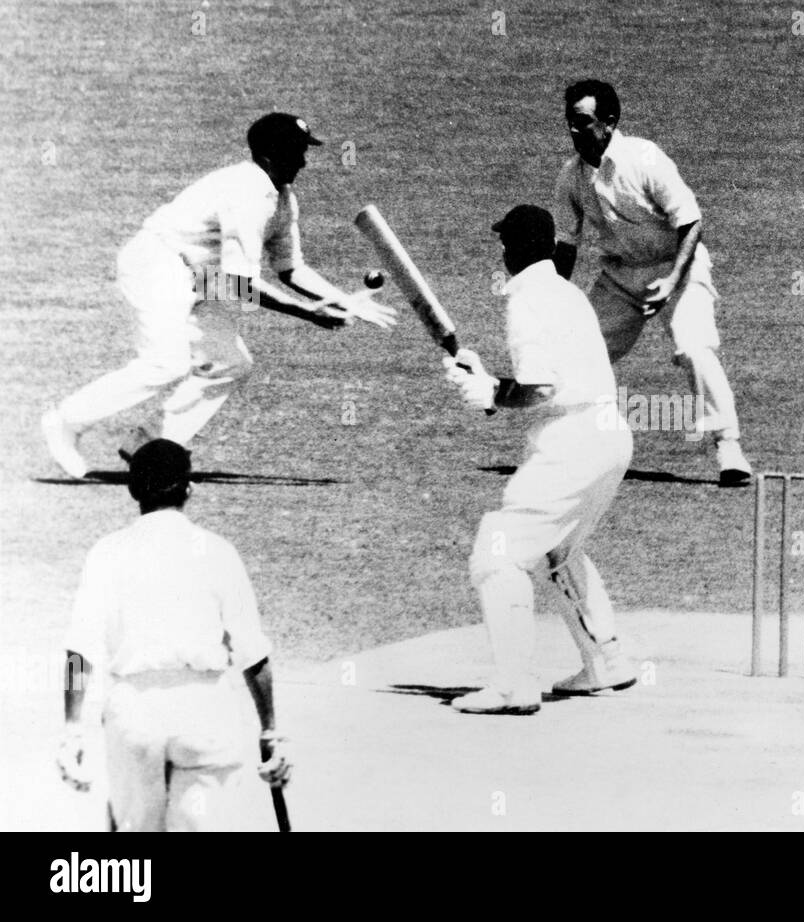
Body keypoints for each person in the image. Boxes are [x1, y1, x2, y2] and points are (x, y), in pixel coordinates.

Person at [41, 112, 395, 478]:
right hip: (159, 263)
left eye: (304, 151)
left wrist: (343, 300)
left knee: (229, 362)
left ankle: (152, 447)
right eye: (296, 152)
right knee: (167, 362)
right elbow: (242, 284)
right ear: (269, 156)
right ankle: (65, 421)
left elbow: (291, 269)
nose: (304, 161)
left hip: (202, 273)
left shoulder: (283, 198)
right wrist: (306, 312)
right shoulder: (247, 195)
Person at [443, 205, 636, 715]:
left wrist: (492, 390)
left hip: (571, 443)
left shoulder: (526, 297)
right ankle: (605, 661)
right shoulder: (567, 293)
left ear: (512, 249)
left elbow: (541, 387)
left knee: (497, 552)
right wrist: (490, 385)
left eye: (504, 245)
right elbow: (548, 381)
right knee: (560, 550)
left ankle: (513, 685)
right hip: (609, 437)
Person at [56, 439, 291, 830]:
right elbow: (253, 654)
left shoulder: (107, 552)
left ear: (133, 491)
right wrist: (270, 730)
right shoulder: (217, 551)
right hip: (205, 711)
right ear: (189, 488)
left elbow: (78, 652)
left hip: (133, 713)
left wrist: (71, 730)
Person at [553, 79, 753, 486]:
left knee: (695, 348)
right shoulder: (570, 177)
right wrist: (551, 300)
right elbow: (566, 245)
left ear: (608, 123)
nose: (573, 130)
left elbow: (691, 221)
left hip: (678, 266)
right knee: (578, 355)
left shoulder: (645, 158)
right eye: (569, 121)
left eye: (582, 122)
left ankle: (728, 447)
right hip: (621, 276)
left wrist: (672, 281)